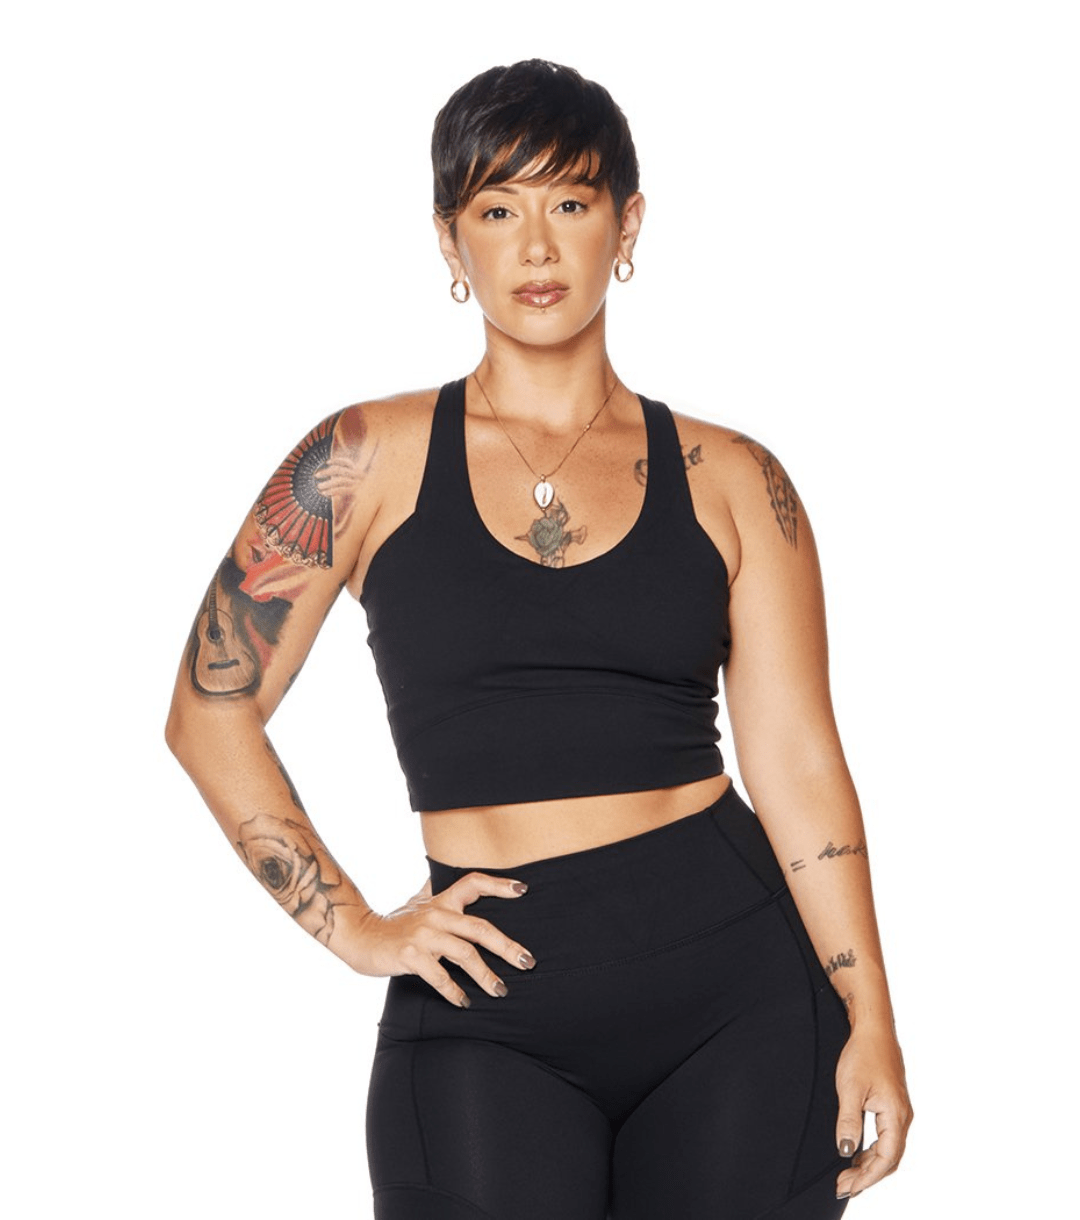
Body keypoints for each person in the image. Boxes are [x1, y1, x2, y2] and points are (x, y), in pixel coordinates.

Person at [166, 59, 911, 1220]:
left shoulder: (734, 478)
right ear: (449, 240)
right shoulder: (361, 458)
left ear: (628, 224)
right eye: (496, 209)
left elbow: (799, 759)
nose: (537, 245)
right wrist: (354, 924)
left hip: (738, 993)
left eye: (570, 201)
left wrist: (871, 1011)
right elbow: (209, 708)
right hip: (483, 1007)